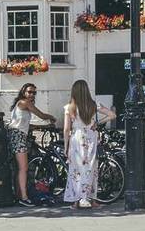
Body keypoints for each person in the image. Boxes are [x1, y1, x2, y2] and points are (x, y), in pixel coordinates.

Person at [63, 79, 116, 209]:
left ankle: (75, 201)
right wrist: (98, 123)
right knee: (91, 169)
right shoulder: (94, 105)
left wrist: (66, 146)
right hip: (91, 137)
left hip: (77, 139)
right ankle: (92, 200)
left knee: (75, 171)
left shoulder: (69, 107)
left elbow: (66, 129)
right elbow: (112, 115)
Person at [7, 83, 57, 207]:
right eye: (29, 92)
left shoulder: (21, 104)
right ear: (23, 92)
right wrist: (52, 118)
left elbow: (25, 124)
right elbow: (41, 115)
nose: (31, 94)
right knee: (23, 168)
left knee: (19, 167)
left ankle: (20, 194)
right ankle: (24, 197)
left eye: (34, 92)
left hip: (18, 135)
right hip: (18, 136)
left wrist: (43, 127)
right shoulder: (24, 103)